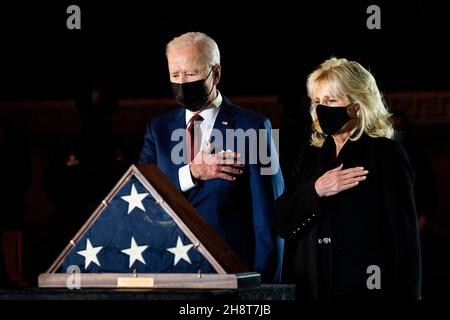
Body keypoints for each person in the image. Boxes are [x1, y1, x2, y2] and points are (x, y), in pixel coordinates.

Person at [139, 32, 284, 282]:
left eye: (192, 74)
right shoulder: (158, 129)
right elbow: (141, 194)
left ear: (215, 73)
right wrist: (191, 173)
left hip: (231, 273)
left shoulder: (255, 127)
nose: (182, 82)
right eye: (175, 75)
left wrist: (263, 286)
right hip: (169, 271)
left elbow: (269, 218)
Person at [276, 58, 421, 299]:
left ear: (357, 105)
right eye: (317, 102)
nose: (322, 109)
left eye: (331, 100)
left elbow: (405, 240)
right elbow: (283, 222)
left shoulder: (386, 153)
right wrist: (315, 191)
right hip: (312, 289)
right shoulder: (310, 153)